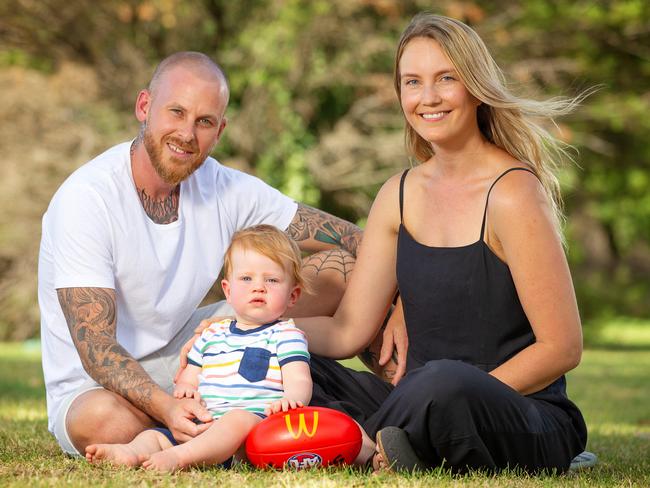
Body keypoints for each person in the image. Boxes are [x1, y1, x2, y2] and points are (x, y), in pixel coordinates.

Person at [37, 51, 392, 458]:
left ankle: (404, 394)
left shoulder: (222, 185)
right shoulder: (87, 198)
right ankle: (236, 423)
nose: (187, 134)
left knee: (340, 271)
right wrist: (167, 406)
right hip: (98, 384)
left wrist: (394, 304)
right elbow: (96, 349)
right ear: (144, 107)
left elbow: (350, 239)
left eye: (204, 121)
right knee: (106, 423)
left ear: (219, 129)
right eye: (176, 112)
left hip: (202, 346)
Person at [293, 13, 592, 473]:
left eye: (445, 78)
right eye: (412, 82)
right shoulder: (398, 193)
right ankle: (391, 442)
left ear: (474, 87)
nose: (427, 97)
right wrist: (260, 332)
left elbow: (562, 348)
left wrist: (466, 395)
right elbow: (348, 330)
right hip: (417, 401)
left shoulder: (512, 193)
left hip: (517, 412)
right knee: (295, 366)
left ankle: (358, 440)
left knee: (445, 381)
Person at [84, 225, 314, 471]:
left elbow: (299, 378)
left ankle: (180, 459)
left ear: (292, 295)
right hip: (207, 423)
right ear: (228, 289)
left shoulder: (285, 334)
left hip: (255, 428)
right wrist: (186, 389)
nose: (259, 287)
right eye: (246, 278)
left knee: (237, 420)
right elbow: (190, 376)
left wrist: (292, 399)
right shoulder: (211, 333)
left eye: (272, 280)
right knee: (155, 436)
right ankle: (130, 452)